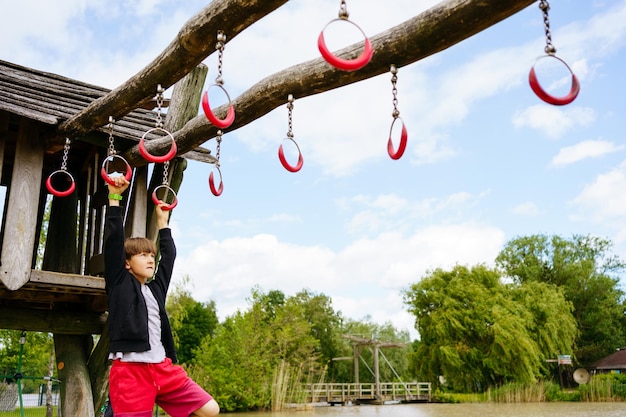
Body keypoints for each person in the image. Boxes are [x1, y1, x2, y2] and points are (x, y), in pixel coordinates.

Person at [104, 176, 219, 417]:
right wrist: (115, 198)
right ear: (126, 263)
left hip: (162, 369)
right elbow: (113, 241)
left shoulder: (155, 290)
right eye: (142, 255)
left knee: (210, 409)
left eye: (150, 255)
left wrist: (163, 223)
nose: (149, 259)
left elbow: (169, 258)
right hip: (131, 372)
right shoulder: (119, 283)